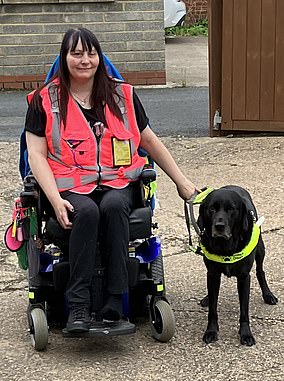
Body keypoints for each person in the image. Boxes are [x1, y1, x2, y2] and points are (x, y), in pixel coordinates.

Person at [25, 27, 198, 333]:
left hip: (119, 185)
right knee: (87, 212)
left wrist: (181, 181)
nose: (84, 60)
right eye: (76, 53)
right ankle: (77, 305)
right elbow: (36, 156)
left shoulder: (123, 96)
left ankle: (116, 300)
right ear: (64, 58)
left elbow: (150, 141)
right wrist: (53, 199)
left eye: (91, 53)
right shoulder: (45, 100)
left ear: (100, 57)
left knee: (115, 206)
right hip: (69, 189)